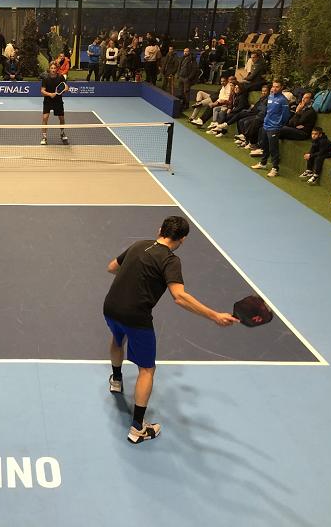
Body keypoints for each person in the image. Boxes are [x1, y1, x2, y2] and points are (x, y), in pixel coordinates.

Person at [103, 216, 237, 444]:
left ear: (160, 230)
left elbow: (112, 267)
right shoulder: (170, 261)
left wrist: (133, 278)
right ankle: (137, 429)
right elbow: (180, 297)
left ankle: (116, 379)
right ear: (182, 240)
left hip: (111, 306)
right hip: (137, 317)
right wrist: (214, 315)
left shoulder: (139, 245)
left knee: (117, 340)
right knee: (147, 369)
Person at [251, 80, 291, 177]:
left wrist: (279, 124)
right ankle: (263, 163)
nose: (274, 88)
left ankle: (275, 168)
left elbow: (286, 115)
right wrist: (265, 120)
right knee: (264, 146)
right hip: (266, 125)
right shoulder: (270, 96)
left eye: (277, 86)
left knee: (274, 149)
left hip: (274, 128)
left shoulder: (283, 100)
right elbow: (268, 111)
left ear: (281, 88)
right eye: (273, 86)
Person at [40, 62, 68, 145]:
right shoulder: (45, 78)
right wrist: (50, 94)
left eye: (54, 68)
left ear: (57, 69)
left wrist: (66, 88)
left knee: (61, 118)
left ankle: (62, 133)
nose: (53, 70)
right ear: (49, 69)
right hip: (48, 100)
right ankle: (44, 137)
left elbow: (66, 86)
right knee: (45, 118)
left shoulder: (61, 77)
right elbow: (42, 91)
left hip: (58, 100)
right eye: (51, 68)